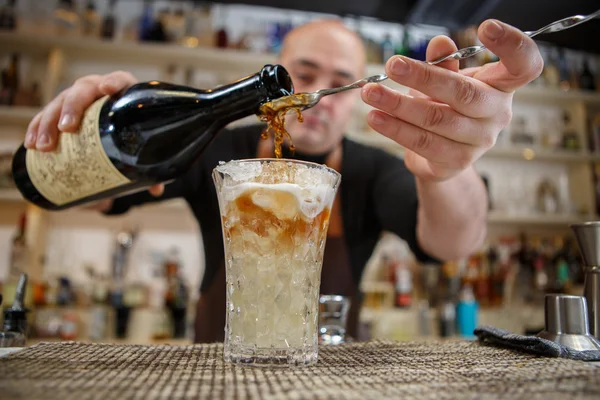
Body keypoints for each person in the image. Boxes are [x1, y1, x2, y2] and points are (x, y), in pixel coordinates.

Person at [22, 19, 543, 342]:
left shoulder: (373, 169)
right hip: (215, 364)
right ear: (273, 76)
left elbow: (453, 241)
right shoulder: (216, 148)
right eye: (304, 73)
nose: (315, 95)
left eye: (339, 83)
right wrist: (80, 136)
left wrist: (449, 166)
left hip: (336, 367)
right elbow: (98, 200)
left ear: (358, 98)